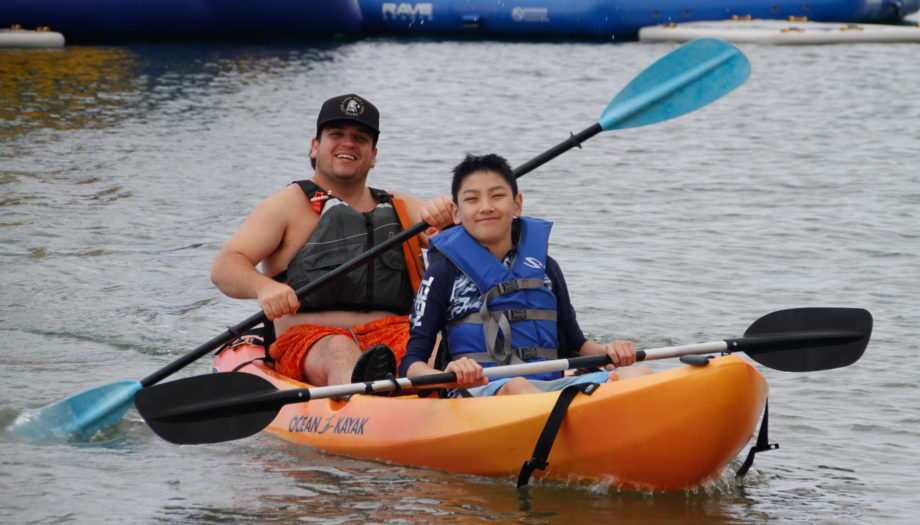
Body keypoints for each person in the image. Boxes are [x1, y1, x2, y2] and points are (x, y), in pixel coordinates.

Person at [211, 93, 454, 386]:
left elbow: (474, 247)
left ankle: (449, 403)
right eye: (336, 134)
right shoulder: (286, 205)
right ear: (315, 147)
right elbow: (225, 268)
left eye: (360, 138)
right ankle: (366, 407)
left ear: (373, 155)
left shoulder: (404, 207)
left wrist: (452, 219)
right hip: (310, 339)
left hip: (396, 333)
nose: (348, 143)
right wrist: (264, 288)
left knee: (438, 347)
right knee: (340, 350)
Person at [398, 153, 653, 396]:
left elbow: (577, 344)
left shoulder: (546, 268)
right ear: (456, 213)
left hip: (551, 389)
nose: (486, 207)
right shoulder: (442, 272)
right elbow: (411, 363)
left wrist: (610, 351)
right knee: (517, 386)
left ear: (517, 204)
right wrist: (452, 371)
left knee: (640, 374)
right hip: (481, 393)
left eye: (497, 196)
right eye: (472, 199)